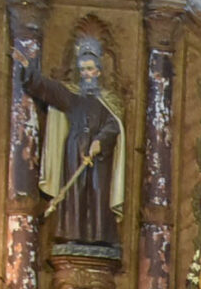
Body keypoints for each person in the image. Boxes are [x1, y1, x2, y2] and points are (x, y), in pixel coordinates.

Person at [24, 35, 127, 251]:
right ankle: (71, 234)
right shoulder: (72, 96)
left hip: (100, 156)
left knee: (99, 191)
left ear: (98, 71)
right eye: (83, 70)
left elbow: (114, 124)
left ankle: (100, 236)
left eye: (90, 69)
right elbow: (48, 89)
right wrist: (28, 69)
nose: (86, 74)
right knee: (74, 192)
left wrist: (100, 140)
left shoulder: (109, 99)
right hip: (75, 150)